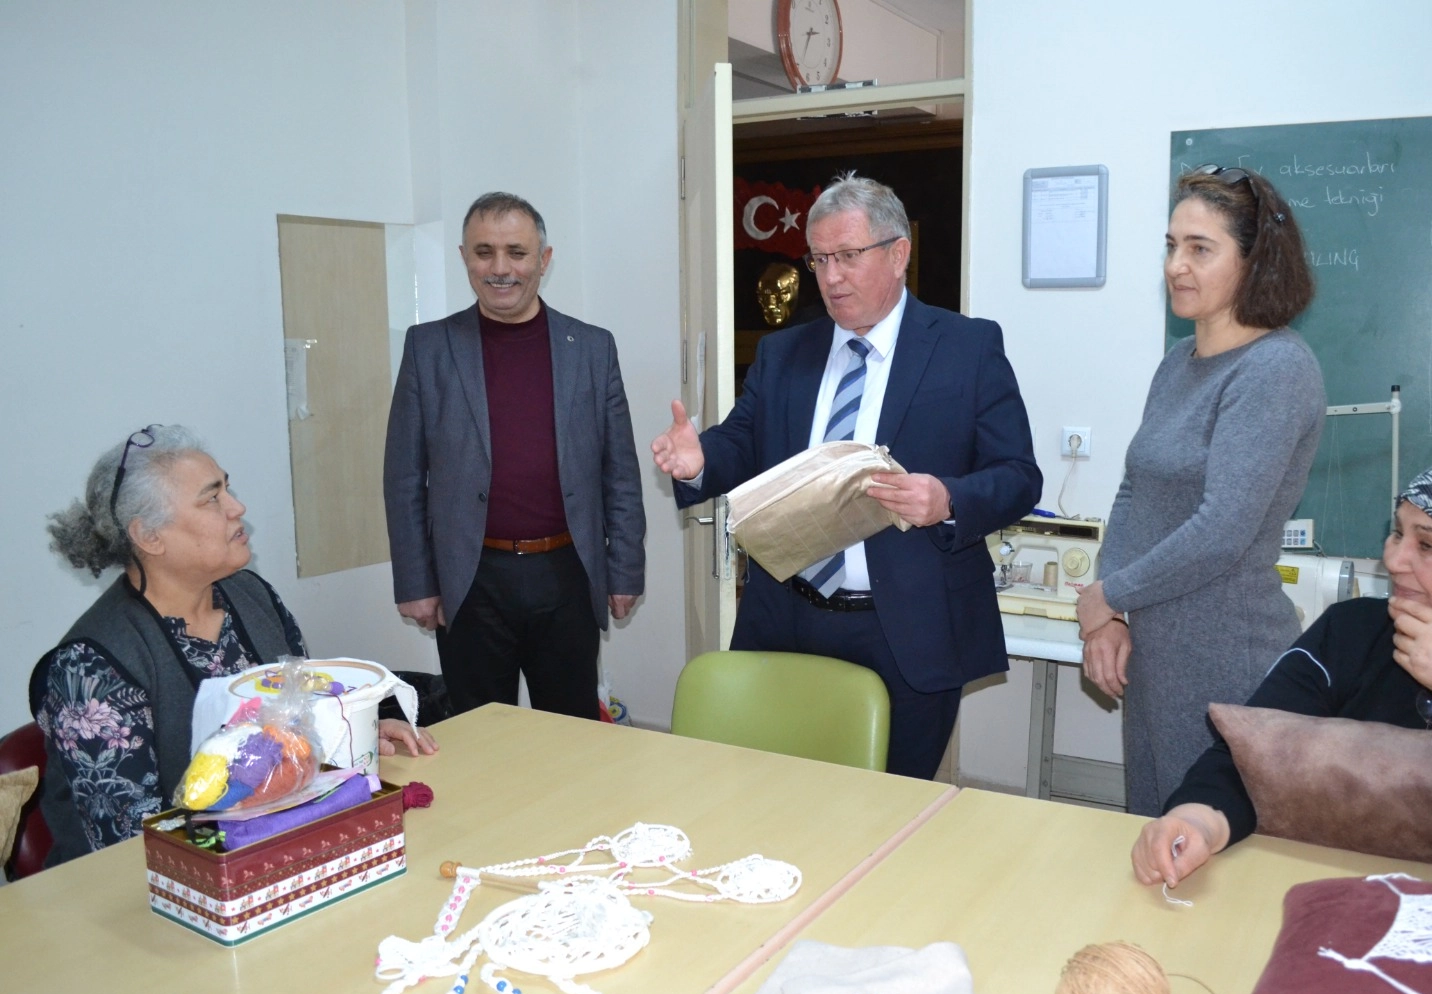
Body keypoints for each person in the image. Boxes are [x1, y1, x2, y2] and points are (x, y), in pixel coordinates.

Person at [651, 174, 1043, 780]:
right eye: (819, 260)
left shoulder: (967, 348)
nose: (831, 277)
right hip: (786, 619)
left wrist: (947, 499)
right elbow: (743, 440)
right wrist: (700, 460)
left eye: (848, 256)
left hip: (907, 629)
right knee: (770, 795)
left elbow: (1019, 475)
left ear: (898, 253)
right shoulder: (785, 352)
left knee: (888, 812)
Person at [1132, 440, 1432, 889]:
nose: (1393, 559)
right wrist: (1199, 820)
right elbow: (1252, 751)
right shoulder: (1349, 631)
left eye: (1427, 545)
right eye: (1398, 533)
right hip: (1328, 887)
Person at [31, 425, 438, 868]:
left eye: (227, 488)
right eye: (212, 498)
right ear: (149, 536)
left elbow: (295, 730)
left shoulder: (251, 596)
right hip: (149, 888)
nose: (237, 507)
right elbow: (131, 843)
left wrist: (349, 739)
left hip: (265, 854)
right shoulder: (91, 666)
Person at [1077, 165, 1326, 816]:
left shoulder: (1276, 369)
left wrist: (1110, 595)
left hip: (1225, 660)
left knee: (1207, 845)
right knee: (1150, 832)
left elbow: (1221, 532)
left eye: (1200, 248)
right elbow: (1134, 490)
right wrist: (1109, 614)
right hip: (1153, 655)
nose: (1175, 266)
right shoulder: (1176, 364)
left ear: (1255, 261)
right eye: (1171, 246)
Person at [383, 192, 646, 718]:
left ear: (543, 260)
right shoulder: (428, 348)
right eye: (484, 252)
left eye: (517, 253)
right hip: (470, 579)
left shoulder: (592, 349)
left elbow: (619, 473)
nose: (500, 268)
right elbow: (404, 475)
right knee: (481, 734)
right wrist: (415, 582)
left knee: (571, 732)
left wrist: (625, 571)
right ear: (465, 257)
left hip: (567, 575)